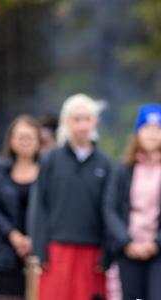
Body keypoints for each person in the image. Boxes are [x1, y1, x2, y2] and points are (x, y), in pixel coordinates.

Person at [28, 94, 112, 300]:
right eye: (76, 119)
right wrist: (39, 249)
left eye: (87, 119)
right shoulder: (50, 159)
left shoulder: (106, 163)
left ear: (95, 122)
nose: (82, 125)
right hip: (56, 250)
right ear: (66, 122)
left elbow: (110, 210)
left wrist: (107, 253)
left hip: (92, 253)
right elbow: (40, 205)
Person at [103, 104, 161, 300]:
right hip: (129, 249)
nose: (152, 134)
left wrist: (156, 243)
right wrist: (127, 241)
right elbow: (110, 208)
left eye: (158, 129)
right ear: (137, 132)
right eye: (147, 128)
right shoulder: (123, 168)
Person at [0, 115, 41, 299]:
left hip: (41, 254)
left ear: (38, 141)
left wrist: (35, 239)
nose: (25, 142)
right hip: (5, 254)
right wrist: (14, 236)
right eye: (20, 137)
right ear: (11, 141)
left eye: (30, 137)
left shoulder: (48, 170)